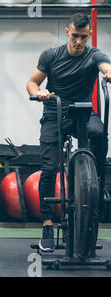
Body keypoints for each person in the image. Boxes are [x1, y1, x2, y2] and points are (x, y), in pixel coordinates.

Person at [26, 13, 111, 252]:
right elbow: (31, 83)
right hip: (55, 113)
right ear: (67, 32)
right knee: (50, 167)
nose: (79, 42)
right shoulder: (51, 55)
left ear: (89, 35)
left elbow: (106, 66)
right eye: (75, 36)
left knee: (98, 132)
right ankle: (47, 224)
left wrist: (108, 72)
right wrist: (40, 92)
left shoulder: (95, 55)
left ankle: (94, 178)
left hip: (82, 113)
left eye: (83, 37)